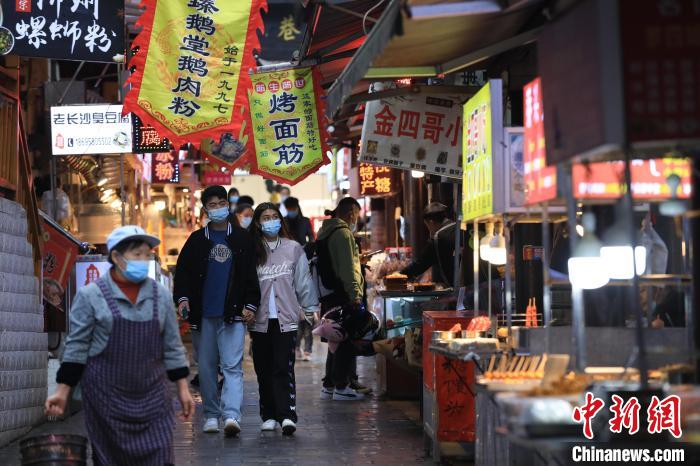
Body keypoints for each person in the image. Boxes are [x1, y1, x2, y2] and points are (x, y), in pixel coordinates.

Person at [46, 226, 194, 465]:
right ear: (116, 257)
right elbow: (77, 348)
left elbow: (172, 346)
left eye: (147, 255)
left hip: (154, 396)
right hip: (106, 398)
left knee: (160, 455)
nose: (144, 260)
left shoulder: (160, 295)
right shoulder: (91, 295)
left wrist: (183, 389)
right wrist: (62, 393)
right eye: (137, 254)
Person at [174, 185, 260, 436]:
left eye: (221, 203)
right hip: (203, 314)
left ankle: (232, 415)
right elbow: (183, 275)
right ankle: (211, 415)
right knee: (207, 367)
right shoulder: (196, 241)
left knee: (233, 366)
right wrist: (182, 299)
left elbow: (249, 276)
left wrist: (250, 304)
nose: (218, 208)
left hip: (232, 314)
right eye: (212, 204)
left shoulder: (242, 238)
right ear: (205, 210)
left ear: (228, 205)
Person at [249, 202, 319, 435]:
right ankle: (268, 414)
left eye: (274, 216)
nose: (270, 221)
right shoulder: (252, 250)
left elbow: (303, 282)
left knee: (283, 367)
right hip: (259, 320)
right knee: (263, 368)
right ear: (258, 223)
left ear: (280, 220)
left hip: (286, 318)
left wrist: (309, 308)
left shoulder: (293, 248)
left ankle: (287, 415)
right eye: (265, 217)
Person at [315, 197, 366, 401]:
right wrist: (355, 295)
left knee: (335, 340)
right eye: (357, 215)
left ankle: (329, 384)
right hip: (343, 295)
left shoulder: (325, 231)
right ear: (351, 212)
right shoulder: (343, 234)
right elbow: (347, 270)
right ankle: (341, 387)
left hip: (330, 294)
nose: (357, 220)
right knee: (344, 340)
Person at [401, 202, 459, 287]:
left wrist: (398, 276)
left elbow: (420, 264)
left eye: (427, 226)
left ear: (431, 222)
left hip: (457, 287)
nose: (429, 230)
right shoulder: (459, 227)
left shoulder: (438, 238)